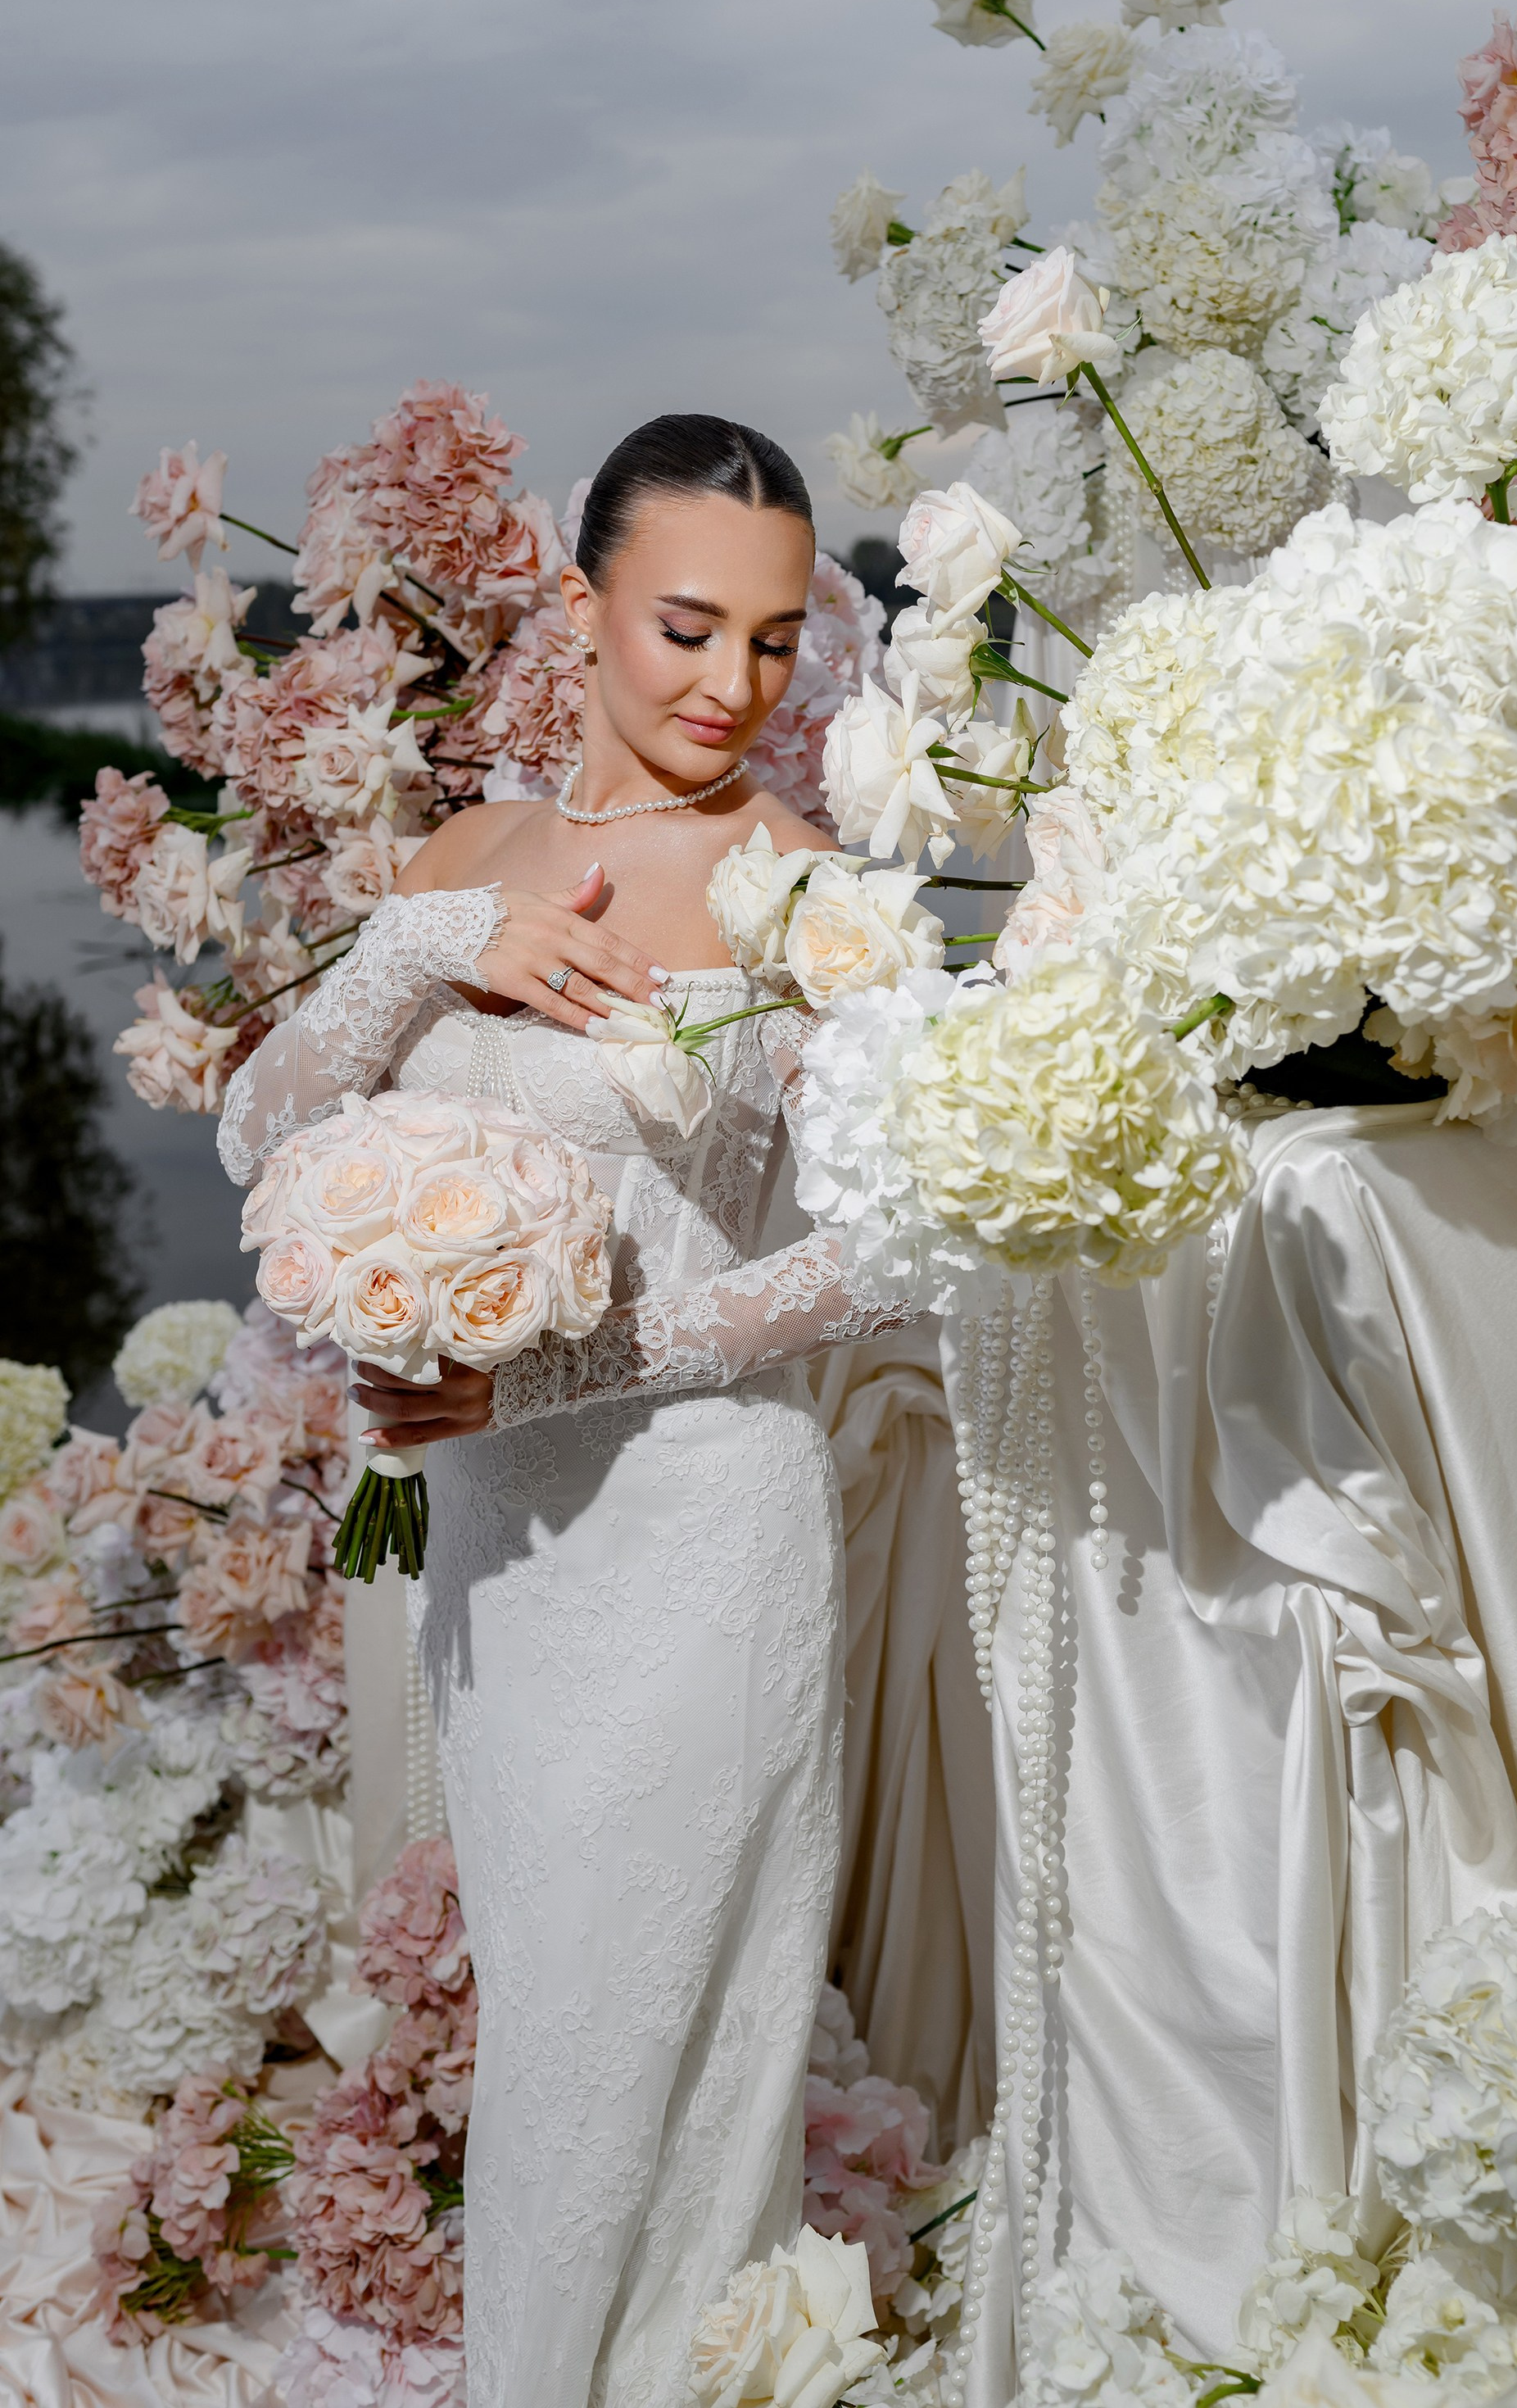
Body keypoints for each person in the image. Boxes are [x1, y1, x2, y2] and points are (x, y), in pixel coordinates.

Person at [218, 414, 910, 2406]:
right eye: (690, 626)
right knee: (553, 2020)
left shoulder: (799, 891)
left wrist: (575, 1363)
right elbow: (267, 1124)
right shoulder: (472, 857)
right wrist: (423, 947)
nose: (730, 687)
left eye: (777, 644)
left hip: (704, 1525)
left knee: (650, 2026)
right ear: (583, 601)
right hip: (497, 1548)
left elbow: (891, 1247)